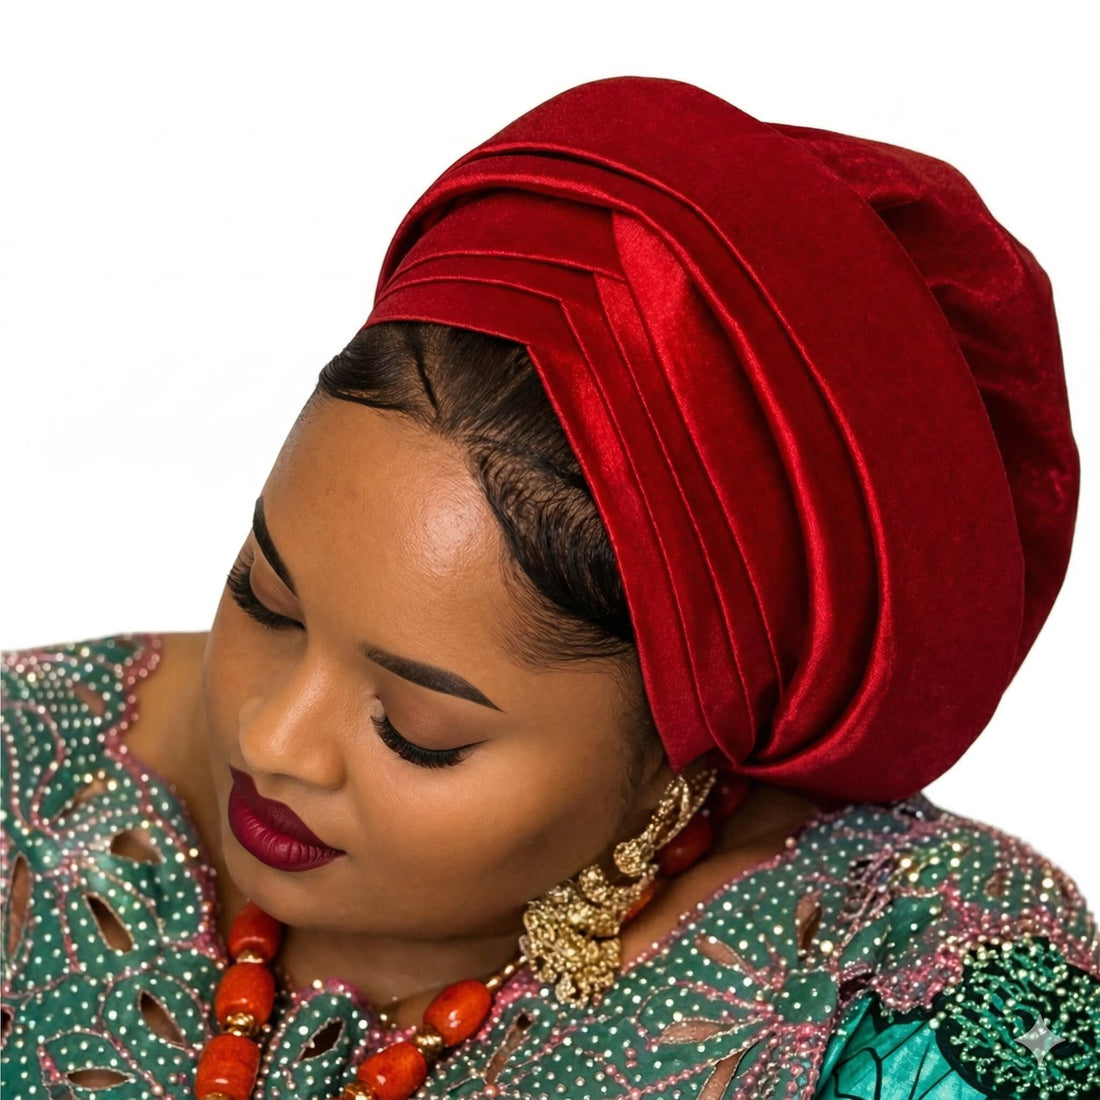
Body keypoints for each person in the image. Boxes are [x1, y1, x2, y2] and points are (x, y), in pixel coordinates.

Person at [2, 76, 1097, 1100]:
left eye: (417, 728)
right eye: (266, 601)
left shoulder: (903, 986)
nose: (271, 733)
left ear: (679, 747)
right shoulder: (29, 767)